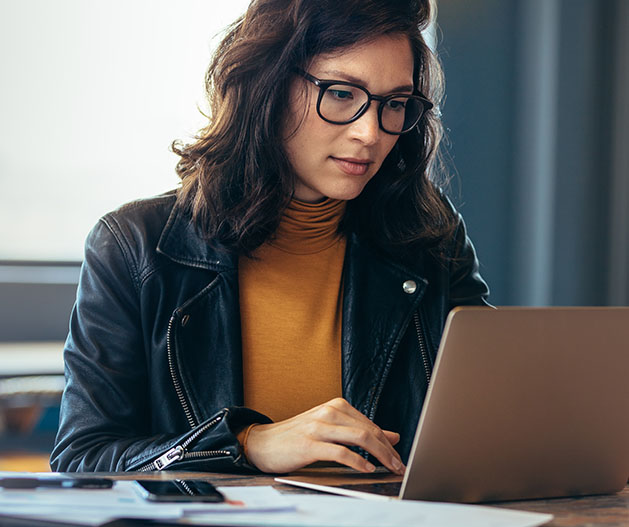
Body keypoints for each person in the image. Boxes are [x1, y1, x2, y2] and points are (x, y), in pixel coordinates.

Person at [50, 0, 489, 475]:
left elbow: (495, 421)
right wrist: (247, 443)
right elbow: (83, 460)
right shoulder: (133, 246)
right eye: (342, 94)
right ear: (268, 85)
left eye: (396, 104)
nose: (371, 133)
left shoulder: (429, 239)